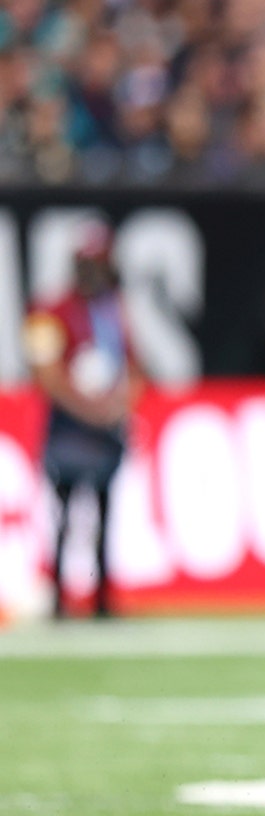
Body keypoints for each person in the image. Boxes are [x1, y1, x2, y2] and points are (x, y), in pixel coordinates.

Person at [22, 225, 141, 619]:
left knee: (107, 513)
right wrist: (91, 408)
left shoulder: (113, 310)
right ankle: (58, 599)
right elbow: (46, 375)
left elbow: (132, 365)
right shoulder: (49, 310)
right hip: (70, 427)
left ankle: (103, 600)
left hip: (106, 424)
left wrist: (119, 404)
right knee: (64, 514)